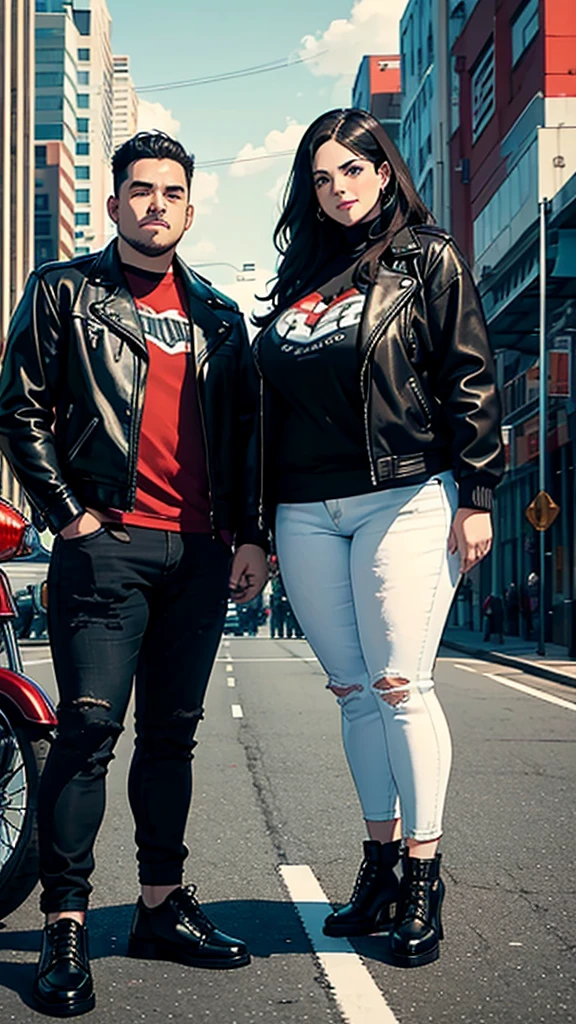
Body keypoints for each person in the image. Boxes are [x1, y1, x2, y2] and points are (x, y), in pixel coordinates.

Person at [0, 131, 267, 1017]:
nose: (155, 204)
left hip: (198, 552)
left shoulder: (223, 317)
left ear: (191, 210)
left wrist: (249, 534)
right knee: (87, 732)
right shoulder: (64, 292)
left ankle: (159, 907)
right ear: (113, 204)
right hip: (105, 546)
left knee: (171, 740)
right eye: (140, 190)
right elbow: (19, 406)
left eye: (172, 193)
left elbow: (243, 440)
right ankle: (67, 923)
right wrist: (67, 512)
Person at [253, 109, 503, 968]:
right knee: (353, 690)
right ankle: (380, 867)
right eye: (321, 179)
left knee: (402, 684)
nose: (338, 190)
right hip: (305, 508)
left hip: (404, 494)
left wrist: (477, 491)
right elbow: (267, 412)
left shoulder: (427, 258)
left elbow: (467, 371)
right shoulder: (299, 279)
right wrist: (262, 525)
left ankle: (424, 877)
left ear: (385, 172)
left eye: (352, 172)